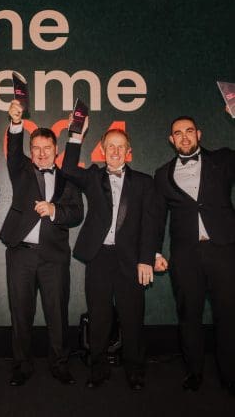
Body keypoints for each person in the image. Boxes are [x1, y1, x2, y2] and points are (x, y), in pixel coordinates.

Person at [61, 115, 156, 391]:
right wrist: (76, 133)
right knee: (99, 316)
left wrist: (146, 259)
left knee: (132, 317)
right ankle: (98, 369)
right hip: (99, 256)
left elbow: (150, 224)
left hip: (131, 259)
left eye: (120, 146)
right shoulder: (93, 177)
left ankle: (135, 370)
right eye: (110, 146)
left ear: (129, 151)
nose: (115, 151)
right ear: (102, 150)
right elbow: (67, 168)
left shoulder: (144, 182)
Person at [0, 100, 83, 386]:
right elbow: (13, 148)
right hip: (21, 255)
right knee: (21, 314)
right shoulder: (20, 169)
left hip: (54, 257)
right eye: (36, 148)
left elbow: (77, 213)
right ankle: (21, 366)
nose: (42, 153)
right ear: (31, 151)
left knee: (57, 314)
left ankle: (59, 364)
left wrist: (55, 210)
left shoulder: (69, 178)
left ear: (56, 150)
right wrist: (16, 122)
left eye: (47, 148)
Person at [154, 115, 235, 396]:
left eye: (189, 131)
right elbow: (156, 218)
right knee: (189, 316)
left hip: (223, 250)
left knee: (228, 315)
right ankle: (194, 372)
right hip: (185, 255)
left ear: (199, 134)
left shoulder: (223, 160)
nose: (184, 136)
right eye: (178, 133)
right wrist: (155, 251)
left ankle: (230, 375)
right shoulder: (162, 174)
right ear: (171, 140)